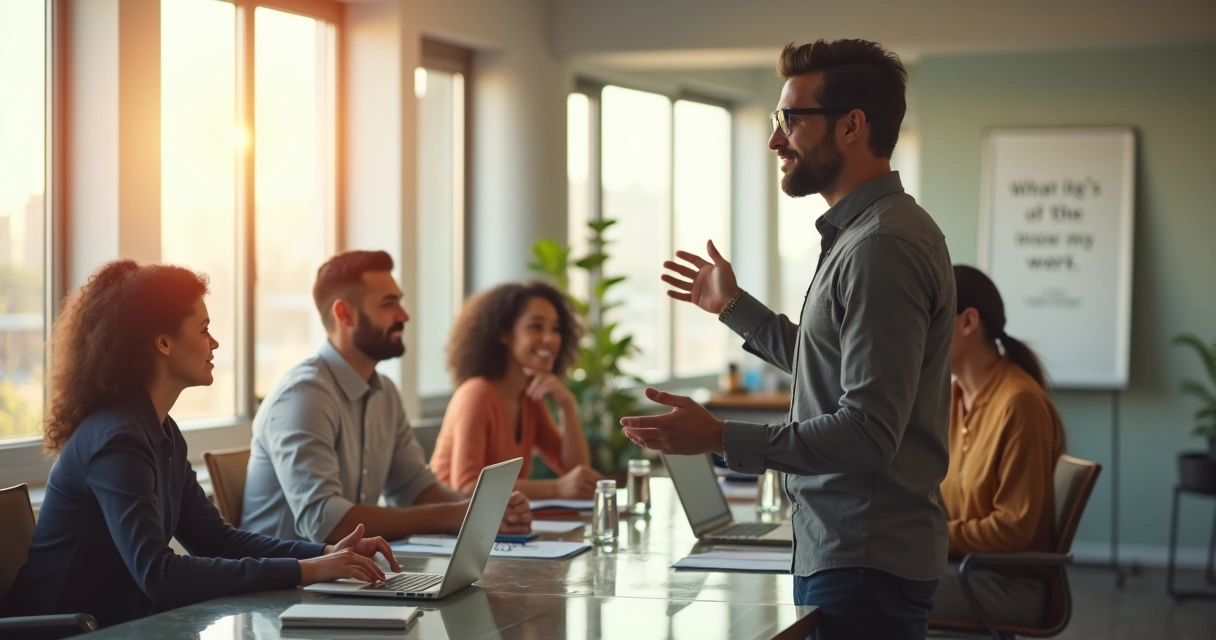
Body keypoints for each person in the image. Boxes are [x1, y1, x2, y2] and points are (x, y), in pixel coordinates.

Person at [619, 39, 955, 639]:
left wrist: (720, 436)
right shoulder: (866, 236)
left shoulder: (881, 246)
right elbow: (825, 362)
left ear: (852, 126)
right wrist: (733, 307)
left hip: (863, 559)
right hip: (848, 550)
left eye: (791, 120)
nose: (776, 139)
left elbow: (869, 432)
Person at [0, 261, 398, 628]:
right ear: (163, 343)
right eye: (204, 329)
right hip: (65, 633)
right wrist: (306, 571)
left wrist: (324, 553)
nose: (215, 343)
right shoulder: (117, 441)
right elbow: (159, 575)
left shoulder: (160, 431)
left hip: (123, 627)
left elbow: (217, 540)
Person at [241, 250, 532, 544]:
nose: (403, 315)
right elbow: (325, 524)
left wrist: (484, 511)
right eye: (388, 304)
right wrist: (456, 515)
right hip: (283, 583)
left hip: (342, 576)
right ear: (344, 314)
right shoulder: (303, 396)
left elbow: (414, 488)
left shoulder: (385, 393)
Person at [929, 265, 1065, 627]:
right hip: (964, 566)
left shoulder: (1019, 402)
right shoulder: (955, 397)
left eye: (929, 317)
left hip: (1006, 583)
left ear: (968, 322)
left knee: (874, 590)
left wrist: (929, 536)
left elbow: (1012, 529)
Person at [430, 282, 601, 499]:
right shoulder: (476, 394)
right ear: (504, 334)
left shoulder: (529, 397)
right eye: (536, 327)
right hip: (446, 529)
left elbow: (575, 471)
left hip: (498, 527)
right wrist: (556, 489)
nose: (550, 339)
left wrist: (567, 405)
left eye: (555, 329)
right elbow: (466, 486)